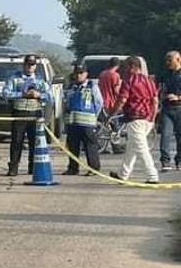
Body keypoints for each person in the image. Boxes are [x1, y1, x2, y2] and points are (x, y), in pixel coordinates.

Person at [109, 55, 160, 184]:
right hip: (148, 118)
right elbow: (155, 100)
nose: (123, 70)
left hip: (134, 118)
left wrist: (112, 113)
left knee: (142, 149)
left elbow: (122, 99)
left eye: (125, 67)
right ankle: (123, 174)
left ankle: (152, 176)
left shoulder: (129, 80)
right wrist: (153, 118)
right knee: (132, 147)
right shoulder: (149, 81)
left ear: (132, 67)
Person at [2, 54, 52, 177]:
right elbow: (5, 93)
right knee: (16, 142)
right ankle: (13, 167)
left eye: (32, 64)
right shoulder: (14, 78)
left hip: (35, 114)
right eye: (28, 64)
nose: (30, 67)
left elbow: (50, 96)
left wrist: (39, 95)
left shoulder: (40, 80)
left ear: (35, 66)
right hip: (19, 113)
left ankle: (33, 167)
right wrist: (22, 94)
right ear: (23, 65)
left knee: (35, 142)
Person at [63, 63, 102, 175]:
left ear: (86, 74)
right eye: (77, 73)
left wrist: (94, 116)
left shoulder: (92, 86)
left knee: (90, 146)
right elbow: (66, 103)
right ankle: (73, 168)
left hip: (87, 123)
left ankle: (94, 168)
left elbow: (99, 103)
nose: (79, 75)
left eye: (81, 73)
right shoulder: (71, 87)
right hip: (73, 122)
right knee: (73, 146)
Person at [158, 50, 181, 171]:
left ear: (178, 59)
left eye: (170, 60)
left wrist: (178, 97)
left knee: (180, 136)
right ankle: (165, 162)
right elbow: (161, 89)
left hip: (179, 107)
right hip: (167, 108)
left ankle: (179, 161)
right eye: (166, 60)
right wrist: (161, 96)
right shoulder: (165, 74)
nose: (167, 63)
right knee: (165, 135)